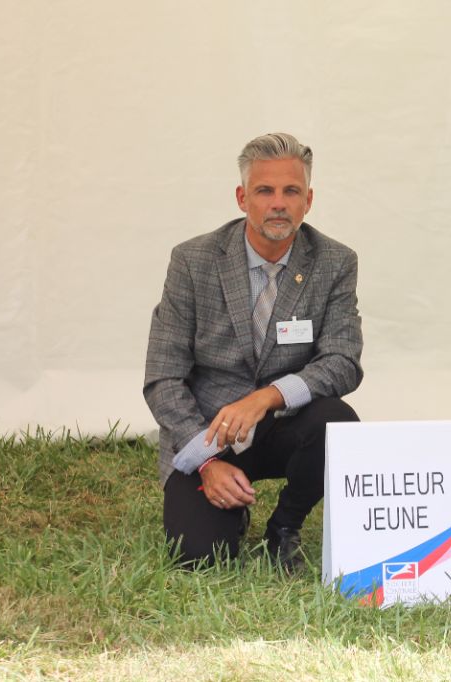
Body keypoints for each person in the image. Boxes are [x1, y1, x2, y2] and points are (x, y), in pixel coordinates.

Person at [144, 132, 363, 570]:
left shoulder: (334, 262)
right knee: (200, 558)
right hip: (209, 432)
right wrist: (206, 462)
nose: (278, 203)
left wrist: (267, 398)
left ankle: (284, 526)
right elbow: (162, 378)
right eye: (265, 191)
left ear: (308, 201)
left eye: (291, 191)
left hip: (284, 425)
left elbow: (343, 361)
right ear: (242, 198)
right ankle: (231, 506)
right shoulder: (193, 261)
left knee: (337, 421)